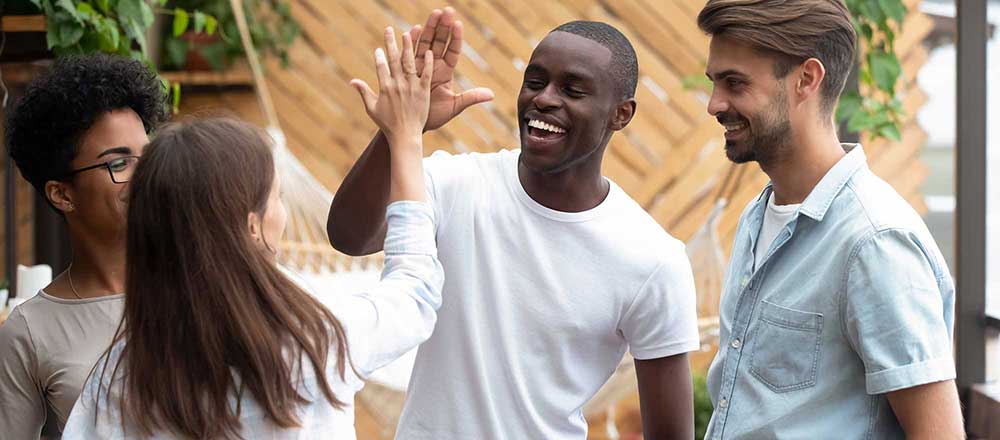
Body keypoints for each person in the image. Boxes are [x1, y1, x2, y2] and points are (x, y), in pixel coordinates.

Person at [329, 8, 700, 439]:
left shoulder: (653, 260)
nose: (544, 99)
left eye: (573, 90)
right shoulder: (456, 184)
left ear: (621, 114)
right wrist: (400, 129)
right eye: (536, 81)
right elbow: (350, 236)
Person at [62, 31, 441, 439]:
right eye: (277, 198)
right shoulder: (314, 344)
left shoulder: (117, 380)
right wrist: (405, 138)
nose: (283, 211)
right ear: (252, 226)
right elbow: (415, 294)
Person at [697, 1, 964, 438]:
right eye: (715, 82)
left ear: (806, 79)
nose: (714, 104)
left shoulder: (874, 241)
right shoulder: (755, 217)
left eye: (734, 83)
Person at [0, 53, 166, 437]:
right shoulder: (29, 332)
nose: (145, 176)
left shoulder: (201, 286)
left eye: (149, 155)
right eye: (119, 163)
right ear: (62, 194)